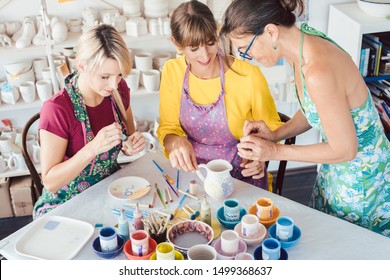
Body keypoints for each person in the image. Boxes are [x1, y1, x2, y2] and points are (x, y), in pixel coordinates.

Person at [220, 0, 390, 236]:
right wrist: (275, 135)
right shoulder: (301, 46)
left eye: (245, 48)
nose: (248, 56)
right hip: (338, 171)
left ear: (270, 32)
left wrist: (275, 152)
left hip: (363, 180)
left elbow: (345, 150)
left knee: (351, 250)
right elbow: (318, 108)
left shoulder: (318, 70)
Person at [157, 0, 281, 190]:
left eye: (210, 43)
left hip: (243, 176)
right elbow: (168, 128)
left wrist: (261, 156)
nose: (205, 56)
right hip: (194, 175)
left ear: (218, 33)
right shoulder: (172, 71)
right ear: (176, 43)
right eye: (194, 48)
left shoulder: (248, 76)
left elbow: (272, 129)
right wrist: (176, 143)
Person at [33, 24, 145, 219]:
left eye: (119, 75)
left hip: (108, 188)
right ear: (82, 65)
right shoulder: (57, 109)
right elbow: (50, 182)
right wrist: (93, 148)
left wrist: (129, 145)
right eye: (105, 76)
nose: (114, 84)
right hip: (64, 201)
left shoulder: (119, 90)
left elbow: (128, 137)